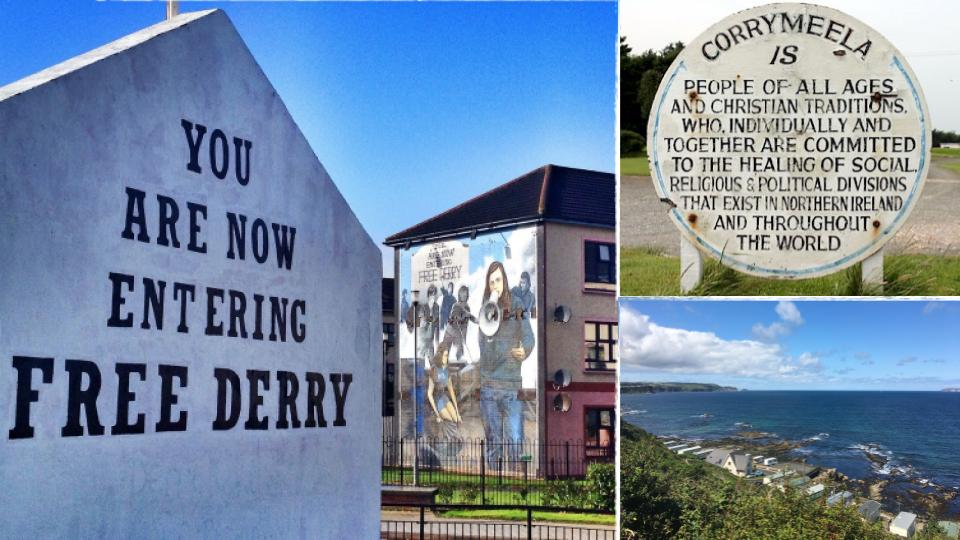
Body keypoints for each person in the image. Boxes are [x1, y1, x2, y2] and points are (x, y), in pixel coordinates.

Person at [478, 261, 534, 470]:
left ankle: (518, 481)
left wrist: (525, 350)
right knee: (493, 441)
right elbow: (482, 345)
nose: (495, 285)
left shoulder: (518, 304)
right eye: (491, 282)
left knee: (516, 439)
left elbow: (528, 335)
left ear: (505, 280)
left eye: (498, 280)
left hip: (511, 386)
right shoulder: (486, 308)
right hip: (489, 386)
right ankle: (493, 483)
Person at [442, 285, 476, 362]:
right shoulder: (456, 305)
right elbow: (454, 314)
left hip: (459, 334)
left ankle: (459, 366)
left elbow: (470, 317)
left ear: (467, 295)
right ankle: (442, 369)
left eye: (465, 294)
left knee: (460, 352)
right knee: (445, 352)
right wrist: (457, 317)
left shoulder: (467, 307)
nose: (463, 295)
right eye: (462, 293)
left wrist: (478, 321)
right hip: (450, 331)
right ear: (459, 294)